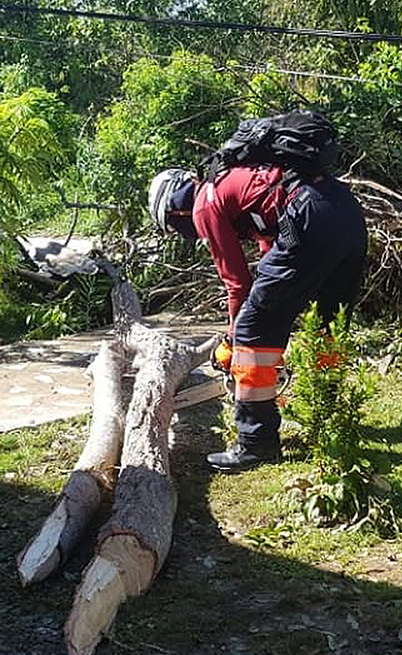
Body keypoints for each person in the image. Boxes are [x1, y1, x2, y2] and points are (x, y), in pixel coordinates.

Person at [148, 161, 367, 472]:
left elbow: (237, 284)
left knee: (253, 329)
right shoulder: (241, 184)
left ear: (174, 210)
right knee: (328, 322)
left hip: (308, 215)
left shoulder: (203, 204)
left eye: (173, 229)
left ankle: (256, 443)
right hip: (346, 212)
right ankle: (326, 418)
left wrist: (233, 340)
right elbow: (271, 255)